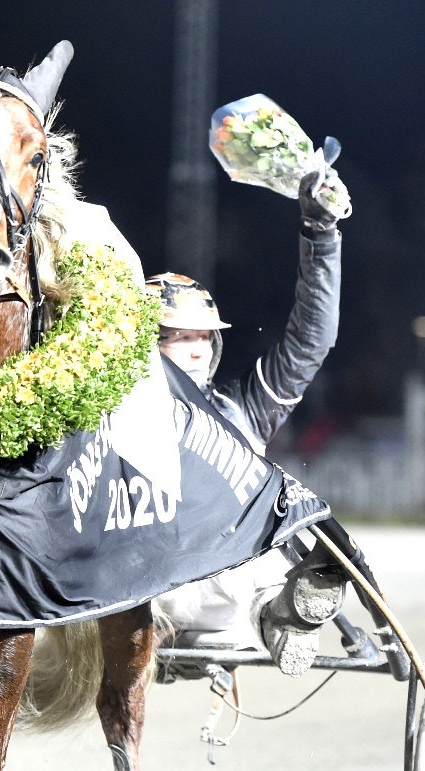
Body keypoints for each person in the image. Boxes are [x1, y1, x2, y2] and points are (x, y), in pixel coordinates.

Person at [147, 168, 348, 677]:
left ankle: (282, 614)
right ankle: (268, 614)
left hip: (228, 592)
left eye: (201, 337)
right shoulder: (110, 416)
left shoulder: (242, 407)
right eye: (175, 337)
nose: (192, 350)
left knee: (262, 534)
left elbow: (310, 343)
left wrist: (321, 235)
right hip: (148, 590)